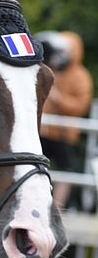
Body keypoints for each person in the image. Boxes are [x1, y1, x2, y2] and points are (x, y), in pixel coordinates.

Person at [39, 30, 93, 210]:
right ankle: (38, 202)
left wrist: (59, 99)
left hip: (65, 134)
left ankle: (58, 207)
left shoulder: (81, 76)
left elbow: (81, 106)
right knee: (37, 166)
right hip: (43, 129)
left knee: (65, 170)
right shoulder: (49, 69)